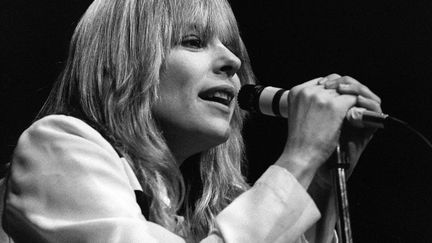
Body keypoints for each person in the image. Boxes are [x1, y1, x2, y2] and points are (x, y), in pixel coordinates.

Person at [1, 0, 382, 242]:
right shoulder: (57, 147)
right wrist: (298, 158)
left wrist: (319, 180)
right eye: (194, 41)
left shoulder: (202, 207)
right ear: (121, 66)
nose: (232, 61)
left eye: (229, 44)